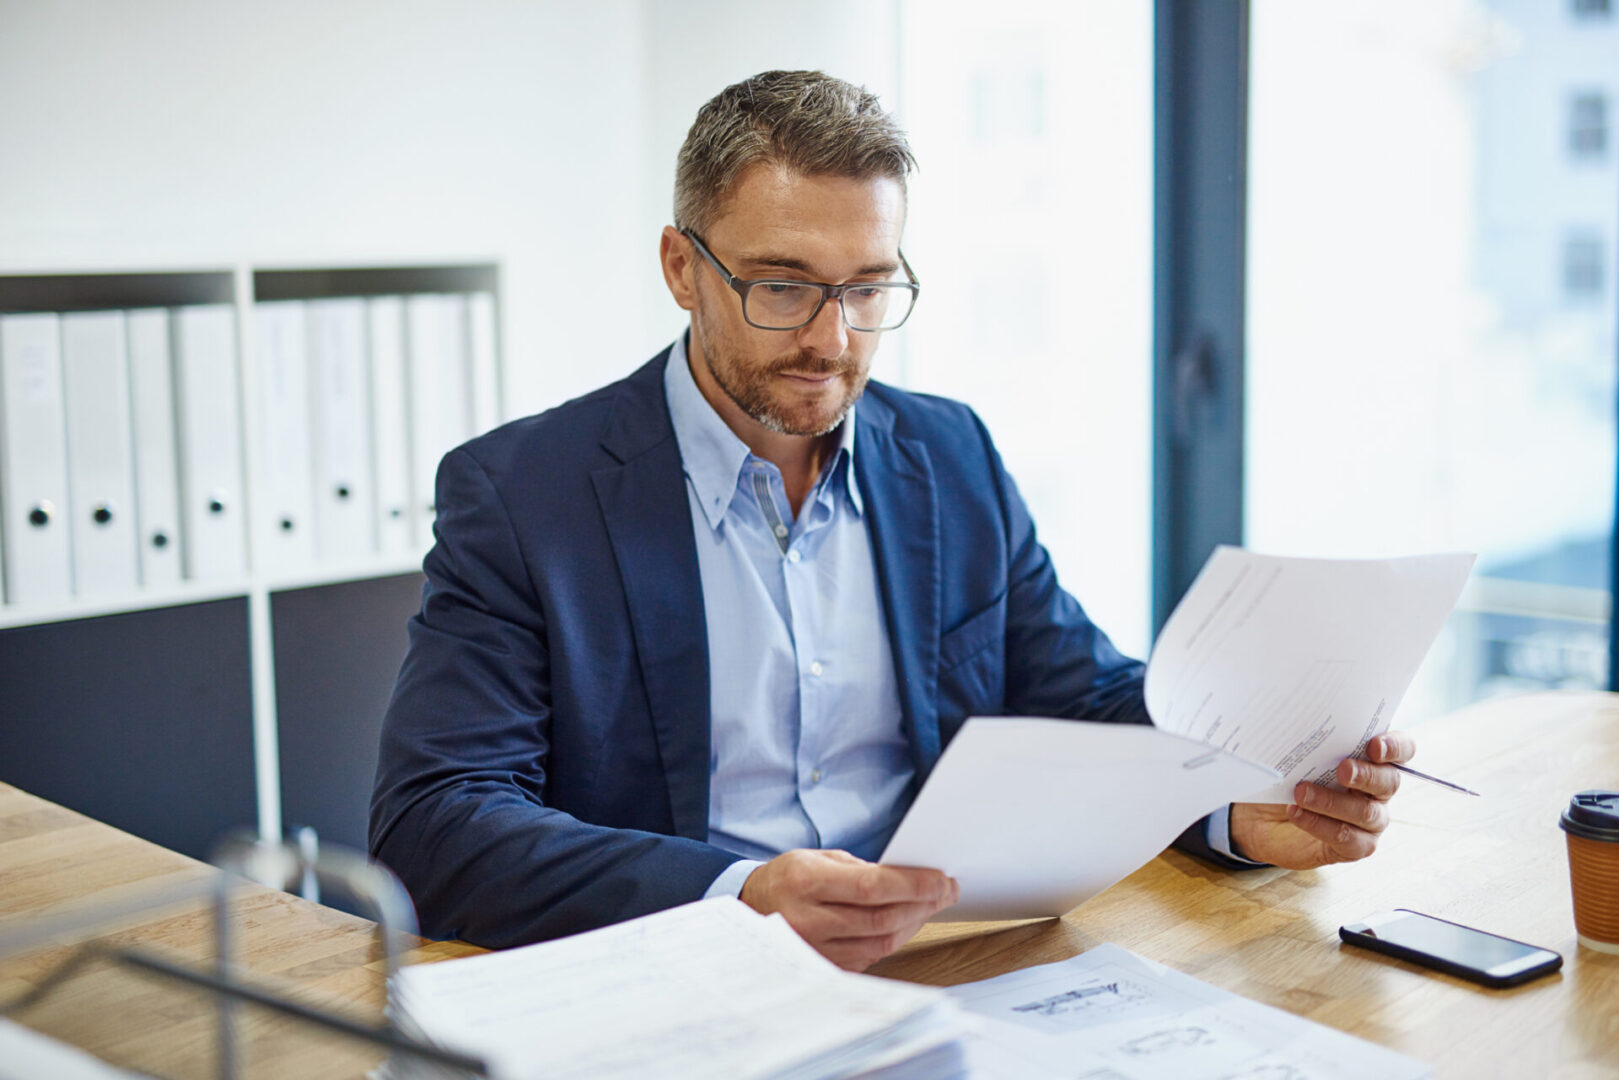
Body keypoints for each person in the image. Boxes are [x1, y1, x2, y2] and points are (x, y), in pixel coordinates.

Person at [369, 70, 1417, 972]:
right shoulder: (522, 495)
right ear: (682, 269)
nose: (831, 339)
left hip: (941, 961)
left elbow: (1079, 700)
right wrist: (736, 893)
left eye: (868, 289)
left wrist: (1237, 807)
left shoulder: (946, 454)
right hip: (686, 988)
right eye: (782, 286)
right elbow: (437, 823)